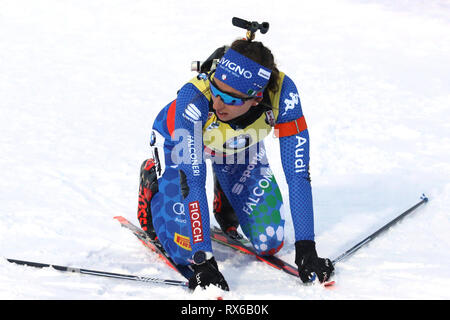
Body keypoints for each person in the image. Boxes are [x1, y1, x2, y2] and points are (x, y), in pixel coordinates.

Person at [137, 38, 334, 291]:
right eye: (215, 91)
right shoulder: (194, 98)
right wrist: (202, 261)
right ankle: (152, 181)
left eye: (230, 99)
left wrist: (307, 248)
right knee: (183, 249)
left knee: (269, 240)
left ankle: (227, 193)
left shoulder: (284, 95)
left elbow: (298, 174)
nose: (217, 104)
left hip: (237, 147)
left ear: (256, 98)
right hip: (180, 143)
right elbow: (193, 182)